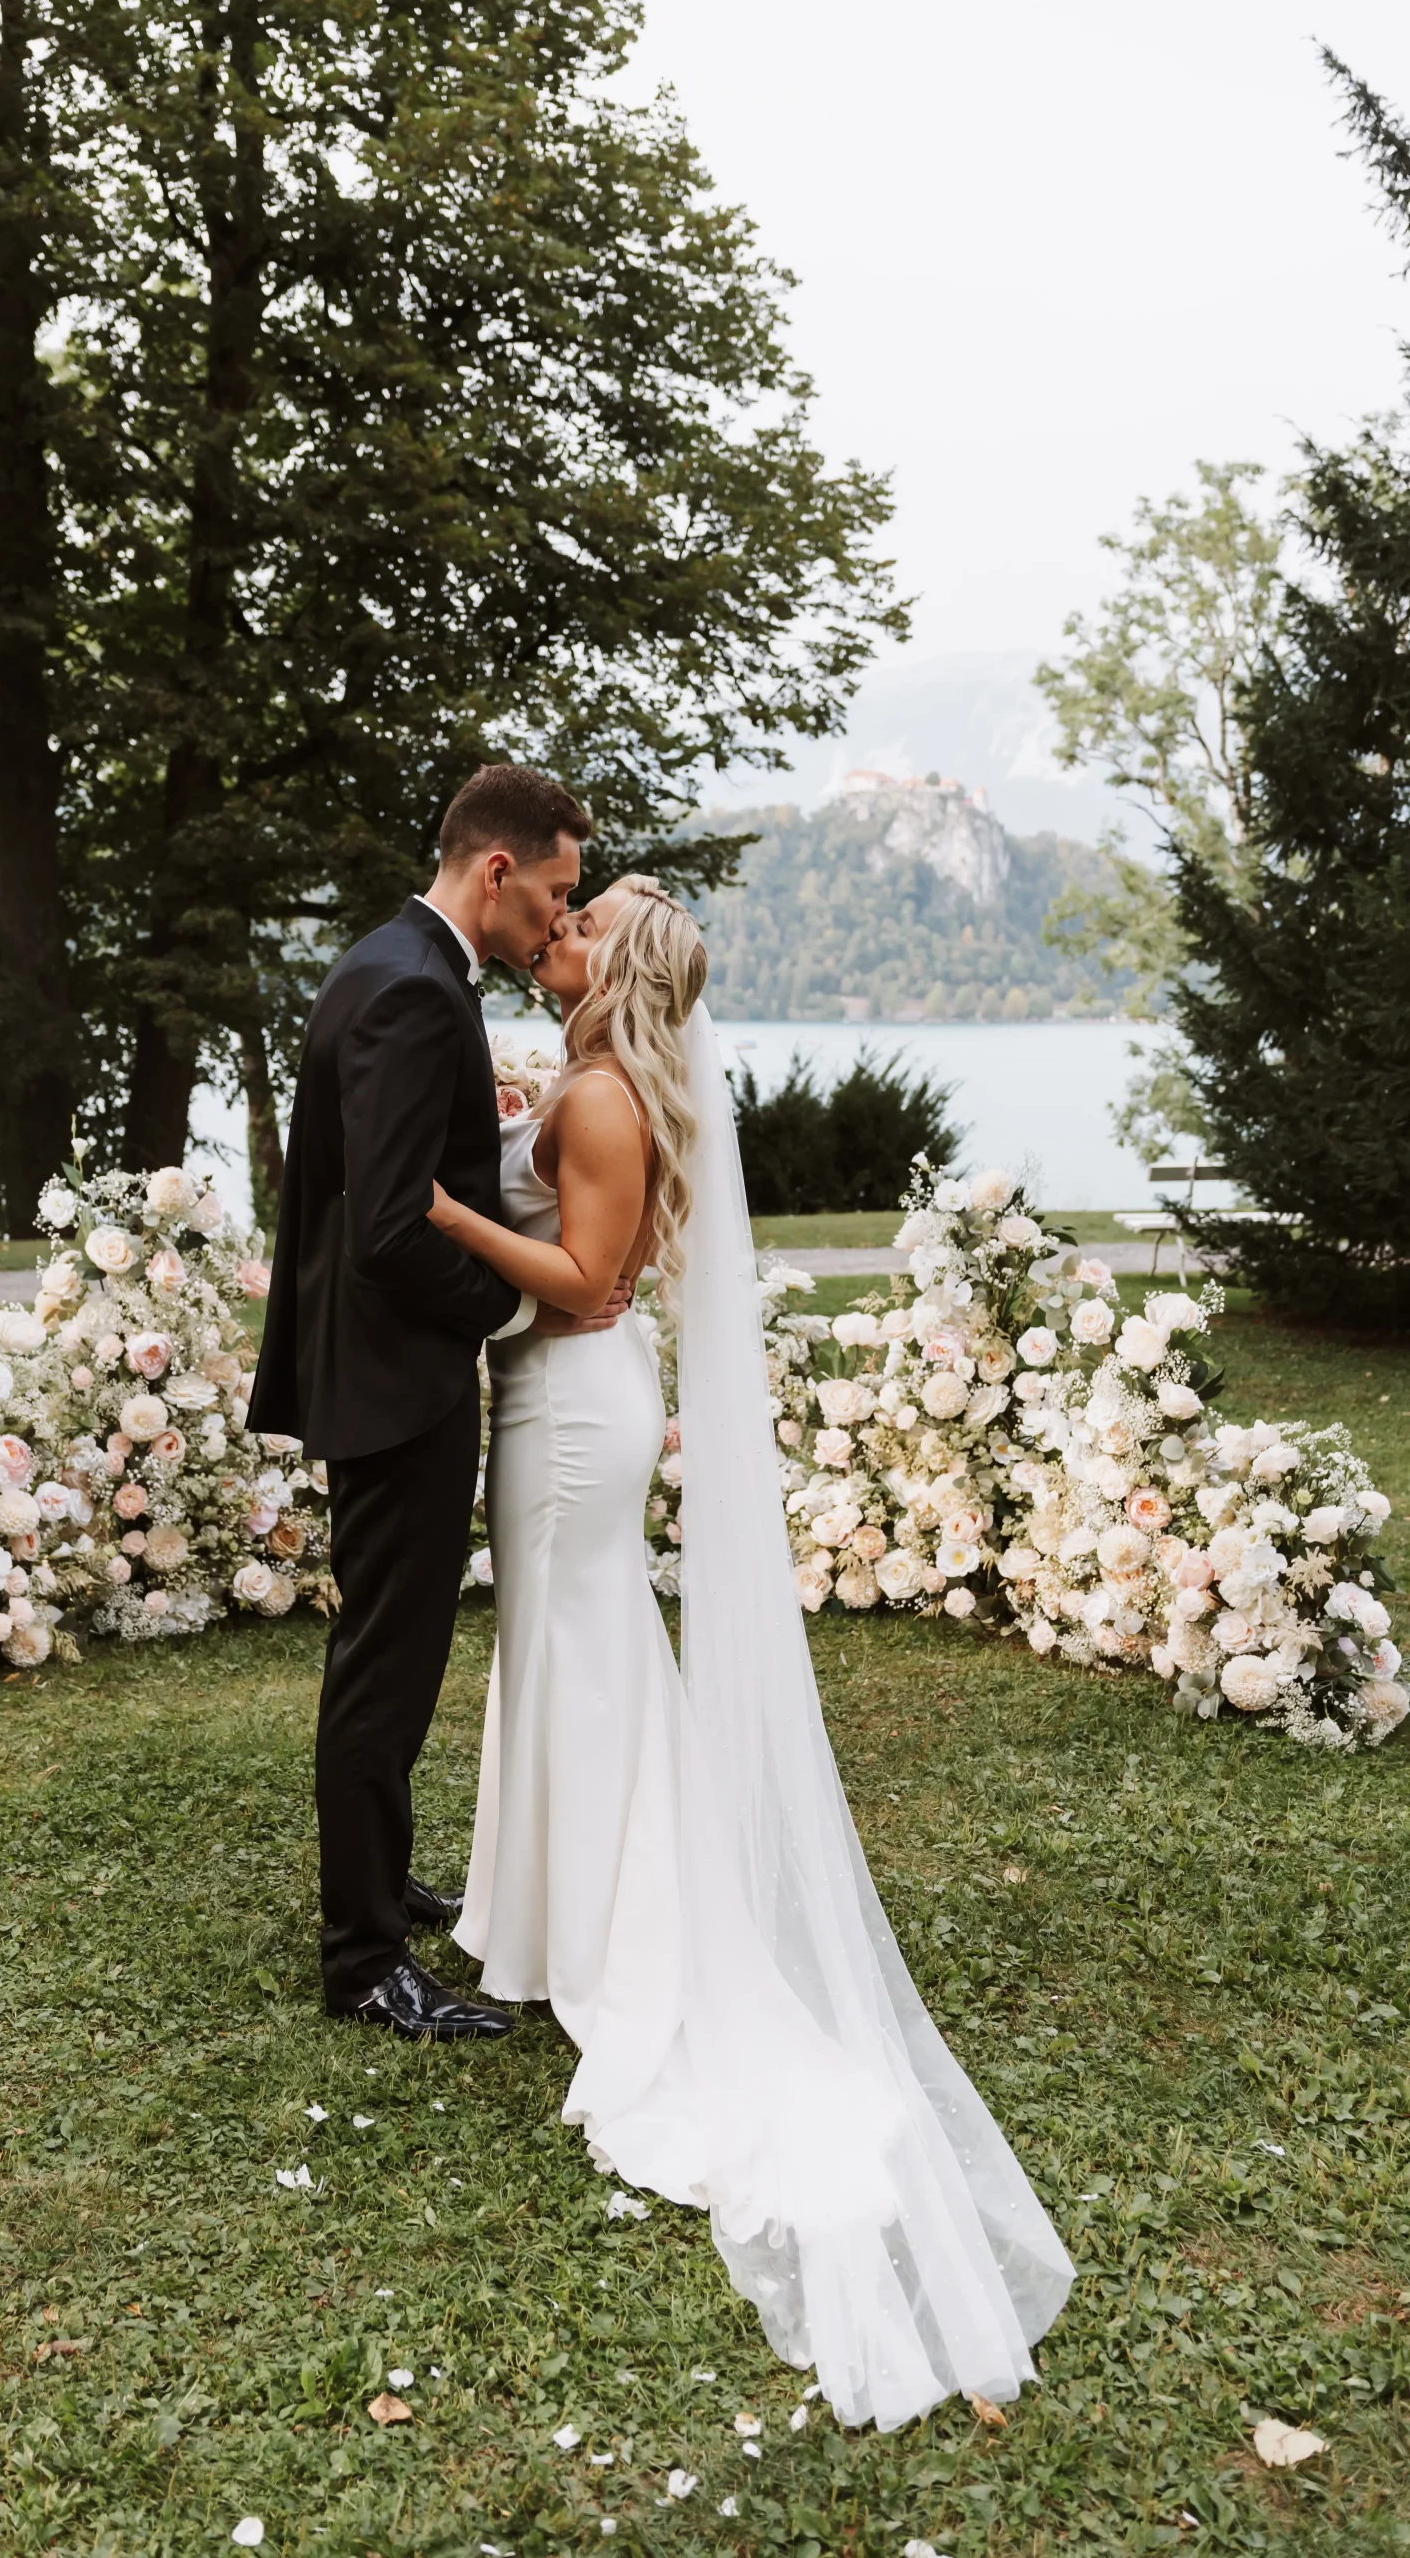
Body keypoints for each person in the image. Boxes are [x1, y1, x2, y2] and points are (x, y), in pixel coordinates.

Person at [429, 878, 1075, 2427]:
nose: (556, 935)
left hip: (569, 1416)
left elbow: (582, 1281)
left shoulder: (600, 1094)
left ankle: (603, 1934)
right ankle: (541, 1917)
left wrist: (449, 1209)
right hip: (573, 1406)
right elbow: (589, 1202)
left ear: (616, 974)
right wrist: (523, 1123)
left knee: (581, 1662)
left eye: (583, 928)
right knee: (572, 1662)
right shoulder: (599, 1086)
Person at [247, 763, 628, 2041]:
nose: (557, 926)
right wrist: (527, 1310)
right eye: (556, 896)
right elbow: (394, 1226)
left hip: (374, 1368)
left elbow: (393, 1168)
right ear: (499, 869)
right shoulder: (418, 992)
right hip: (398, 1380)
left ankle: (380, 1883)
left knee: (391, 1653)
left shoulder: (388, 963)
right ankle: (362, 1961)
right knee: (387, 1667)